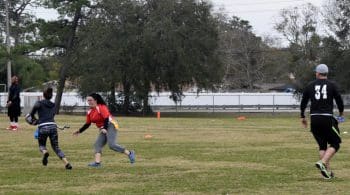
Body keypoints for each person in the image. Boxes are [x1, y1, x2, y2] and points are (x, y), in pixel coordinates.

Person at [300, 64, 344, 179]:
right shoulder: (332, 85)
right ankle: (322, 162)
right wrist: (341, 113)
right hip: (327, 118)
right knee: (335, 143)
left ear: (318, 73)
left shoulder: (310, 85)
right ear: (326, 73)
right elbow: (339, 99)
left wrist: (302, 116)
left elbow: (303, 101)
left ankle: (327, 173)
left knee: (322, 146)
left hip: (314, 119)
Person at [73, 93, 135, 167]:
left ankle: (130, 153)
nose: (89, 102)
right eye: (88, 100)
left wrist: (104, 128)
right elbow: (87, 124)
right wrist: (79, 131)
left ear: (95, 100)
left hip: (111, 125)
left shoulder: (101, 107)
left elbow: (106, 118)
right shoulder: (90, 112)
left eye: (90, 100)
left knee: (112, 145)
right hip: (103, 128)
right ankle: (97, 163)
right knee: (97, 145)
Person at [27, 87, 72, 170]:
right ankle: (67, 163)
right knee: (56, 147)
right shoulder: (53, 105)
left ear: (43, 95)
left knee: (42, 145)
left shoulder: (38, 103)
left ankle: (45, 152)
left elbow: (31, 115)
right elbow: (52, 116)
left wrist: (35, 121)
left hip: (43, 127)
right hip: (53, 126)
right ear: (51, 96)